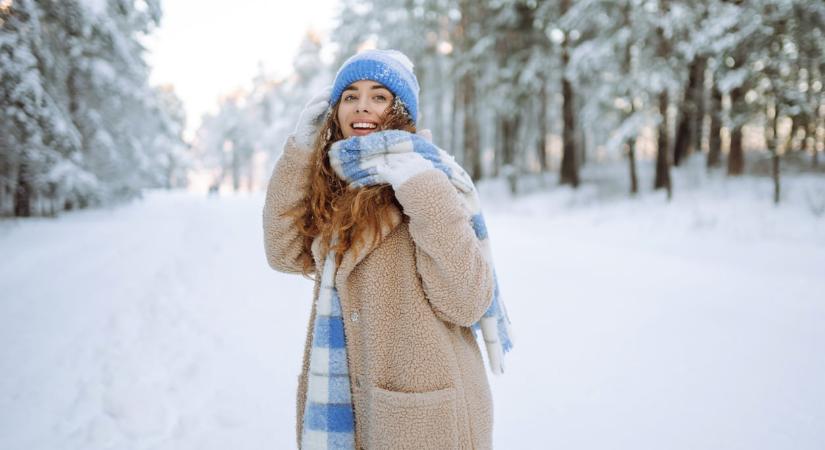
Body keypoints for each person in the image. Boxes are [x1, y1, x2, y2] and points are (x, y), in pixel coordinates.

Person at [263, 49, 511, 450]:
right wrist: (301, 151)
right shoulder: (337, 187)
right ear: (335, 112)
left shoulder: (430, 178)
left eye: (379, 96)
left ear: (401, 111)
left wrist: (422, 189)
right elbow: (283, 252)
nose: (362, 106)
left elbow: (467, 301)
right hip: (355, 410)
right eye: (351, 96)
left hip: (425, 417)